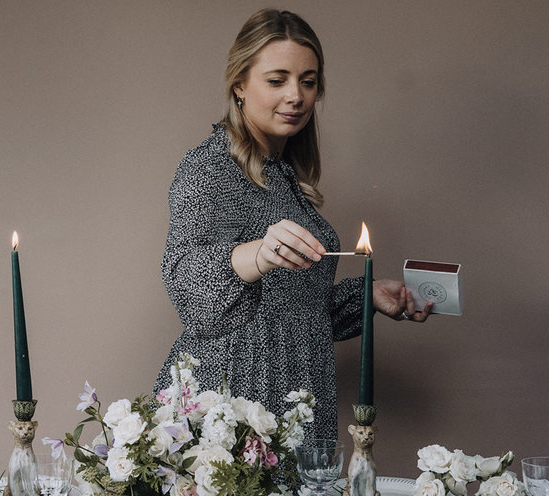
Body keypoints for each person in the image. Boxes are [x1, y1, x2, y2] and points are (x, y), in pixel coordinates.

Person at [154, 8, 432, 441]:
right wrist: (257, 254)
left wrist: (367, 297)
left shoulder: (283, 174)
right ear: (239, 84)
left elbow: (295, 310)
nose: (296, 96)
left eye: (308, 80)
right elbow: (188, 290)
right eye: (277, 79)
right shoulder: (210, 167)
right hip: (235, 397)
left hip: (297, 392)